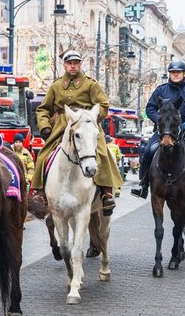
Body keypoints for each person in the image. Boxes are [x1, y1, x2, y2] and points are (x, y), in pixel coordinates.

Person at [29, 50, 122, 216]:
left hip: (86, 124)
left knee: (102, 152)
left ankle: (106, 192)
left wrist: (92, 117)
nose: (73, 66)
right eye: (70, 63)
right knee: (44, 154)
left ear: (80, 64)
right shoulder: (56, 86)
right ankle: (39, 192)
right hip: (63, 125)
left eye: (76, 63)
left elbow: (103, 104)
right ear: (64, 65)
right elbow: (43, 108)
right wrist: (45, 126)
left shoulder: (90, 84)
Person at [131, 59, 185, 201]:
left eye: (178, 72)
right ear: (169, 74)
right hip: (164, 132)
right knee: (148, 151)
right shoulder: (161, 90)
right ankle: (142, 184)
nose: (175, 74)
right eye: (173, 72)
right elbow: (150, 108)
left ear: (183, 73)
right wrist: (161, 121)